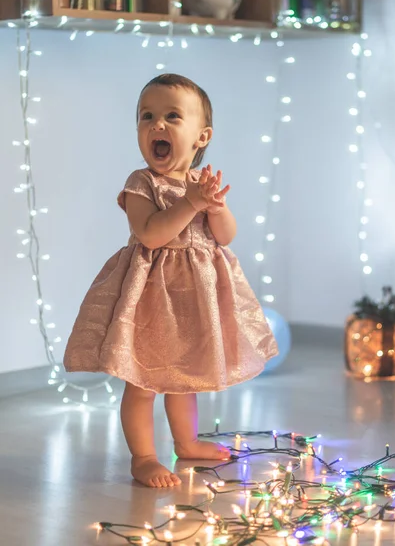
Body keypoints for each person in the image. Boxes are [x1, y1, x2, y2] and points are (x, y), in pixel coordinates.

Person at [63, 73, 278, 488]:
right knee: (143, 382)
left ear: (201, 136)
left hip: (195, 299)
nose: (156, 125)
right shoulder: (141, 182)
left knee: (185, 376)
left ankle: (186, 442)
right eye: (147, 116)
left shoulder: (201, 183)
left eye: (172, 116)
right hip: (149, 300)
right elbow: (151, 233)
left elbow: (225, 236)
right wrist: (190, 204)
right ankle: (143, 457)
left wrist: (214, 207)